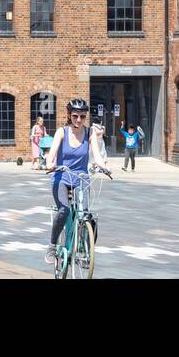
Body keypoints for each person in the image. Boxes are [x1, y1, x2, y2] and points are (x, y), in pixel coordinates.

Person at [42, 97, 109, 265]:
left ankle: (85, 249)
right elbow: (52, 154)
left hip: (81, 178)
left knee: (85, 214)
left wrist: (104, 166)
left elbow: (97, 154)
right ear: (69, 115)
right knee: (64, 210)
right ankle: (52, 245)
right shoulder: (61, 132)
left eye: (82, 116)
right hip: (61, 177)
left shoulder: (90, 132)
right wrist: (50, 164)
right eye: (75, 116)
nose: (79, 120)